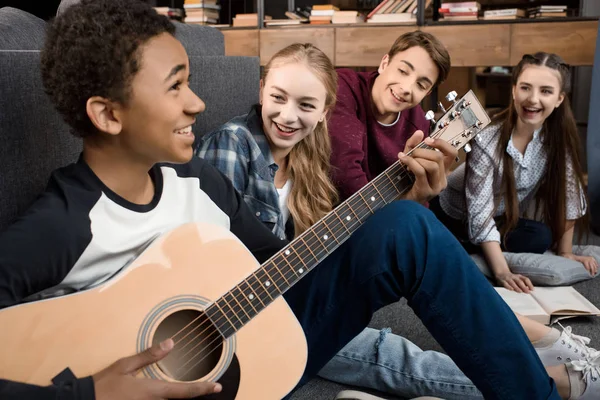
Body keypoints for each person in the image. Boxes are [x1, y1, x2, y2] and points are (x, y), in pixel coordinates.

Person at [197, 42, 599, 400]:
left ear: (323, 113)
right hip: (240, 325)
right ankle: (554, 382)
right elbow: (209, 263)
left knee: (410, 253)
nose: (288, 115)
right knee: (384, 350)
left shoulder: (309, 160)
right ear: (262, 90)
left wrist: (413, 196)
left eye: (305, 106)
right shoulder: (234, 144)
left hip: (285, 305)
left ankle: (545, 368)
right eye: (279, 98)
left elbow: (322, 245)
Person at [430, 52, 599, 294]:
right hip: (452, 215)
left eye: (546, 91)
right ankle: (467, 248)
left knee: (540, 236)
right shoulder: (487, 139)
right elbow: (479, 215)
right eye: (525, 88)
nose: (533, 99)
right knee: (457, 235)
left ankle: (472, 248)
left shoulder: (558, 141)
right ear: (513, 90)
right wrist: (502, 272)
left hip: (498, 217)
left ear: (560, 99)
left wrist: (565, 253)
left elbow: (569, 197)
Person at [328, 30, 449, 202]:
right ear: (385, 63)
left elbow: (415, 207)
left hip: (381, 219)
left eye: (421, 85)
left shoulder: (418, 125)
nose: (407, 88)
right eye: (403, 71)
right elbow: (344, 175)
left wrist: (418, 194)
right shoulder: (344, 87)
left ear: (427, 93)